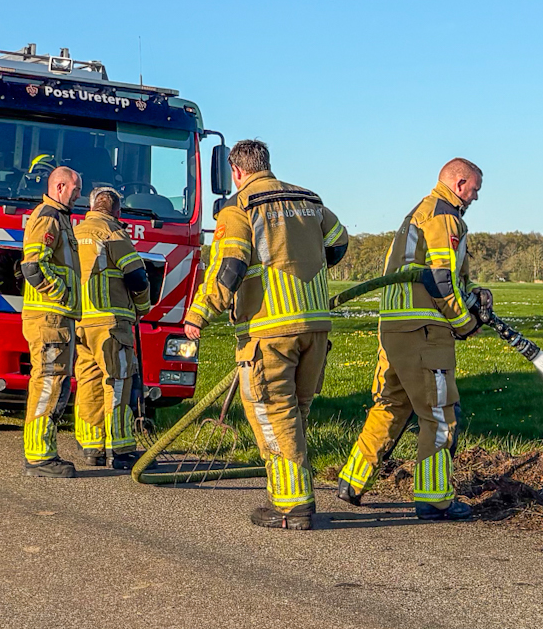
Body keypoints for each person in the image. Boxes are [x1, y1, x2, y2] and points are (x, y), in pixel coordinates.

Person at [184, 139, 349, 529]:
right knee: (295, 413)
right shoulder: (308, 200)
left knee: (272, 415)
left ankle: (292, 508)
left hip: (269, 330)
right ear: (267, 165)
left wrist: (199, 315)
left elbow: (230, 267)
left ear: (236, 172)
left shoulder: (239, 208)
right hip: (315, 328)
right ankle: (291, 493)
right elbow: (339, 244)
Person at [336, 158, 494, 520]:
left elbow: (439, 276)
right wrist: (464, 323)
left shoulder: (421, 212)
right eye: (475, 189)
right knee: (439, 415)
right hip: (424, 330)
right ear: (459, 182)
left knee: (391, 407)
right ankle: (434, 499)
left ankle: (351, 483)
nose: (476, 198)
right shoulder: (444, 217)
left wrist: (472, 297)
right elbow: (439, 279)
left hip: (396, 329)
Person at [73, 187, 153, 469]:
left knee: (89, 383)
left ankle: (92, 447)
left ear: (91, 208)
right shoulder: (113, 233)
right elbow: (137, 278)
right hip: (110, 323)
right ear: (117, 211)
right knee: (117, 382)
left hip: (80, 324)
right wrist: (143, 307)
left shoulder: (74, 233)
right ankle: (120, 450)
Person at [20, 165, 83, 477]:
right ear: (60, 187)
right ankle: (39, 457)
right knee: (48, 384)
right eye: (75, 189)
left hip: (57, 319)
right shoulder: (48, 216)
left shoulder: (60, 218)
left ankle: (42, 452)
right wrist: (61, 294)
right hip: (49, 318)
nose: (79, 195)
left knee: (54, 384)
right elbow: (33, 267)